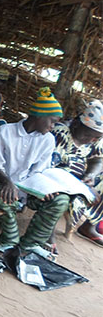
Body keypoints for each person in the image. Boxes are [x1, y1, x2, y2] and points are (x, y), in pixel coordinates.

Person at [0, 87, 69, 259]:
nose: (53, 127)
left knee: (61, 199)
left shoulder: (48, 140)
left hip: (29, 187)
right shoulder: (6, 131)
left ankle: (31, 243)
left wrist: (44, 189)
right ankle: (9, 242)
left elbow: (40, 171)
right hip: (1, 182)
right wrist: (8, 182)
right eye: (52, 121)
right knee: (5, 194)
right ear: (39, 116)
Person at [50, 100, 103, 248]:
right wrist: (81, 187)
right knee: (60, 193)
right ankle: (48, 229)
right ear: (75, 124)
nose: (91, 140)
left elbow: (98, 159)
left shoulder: (93, 137)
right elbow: (52, 169)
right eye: (88, 135)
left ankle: (89, 225)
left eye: (95, 138)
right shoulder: (61, 133)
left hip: (79, 182)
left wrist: (90, 175)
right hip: (56, 180)